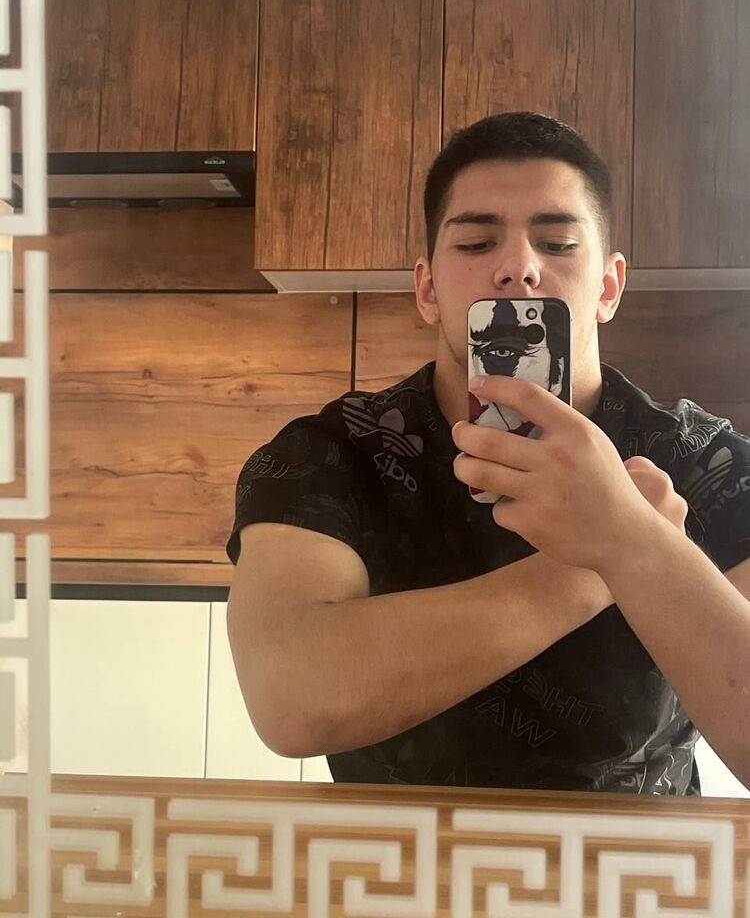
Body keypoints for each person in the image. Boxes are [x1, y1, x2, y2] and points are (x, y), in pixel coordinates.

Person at [226, 112, 750, 795]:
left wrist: (635, 544)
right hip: (401, 862)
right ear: (428, 290)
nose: (517, 268)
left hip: (638, 863)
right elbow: (291, 700)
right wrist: (596, 564)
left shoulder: (702, 461)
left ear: (608, 287)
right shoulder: (331, 454)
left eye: (557, 244)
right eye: (476, 243)